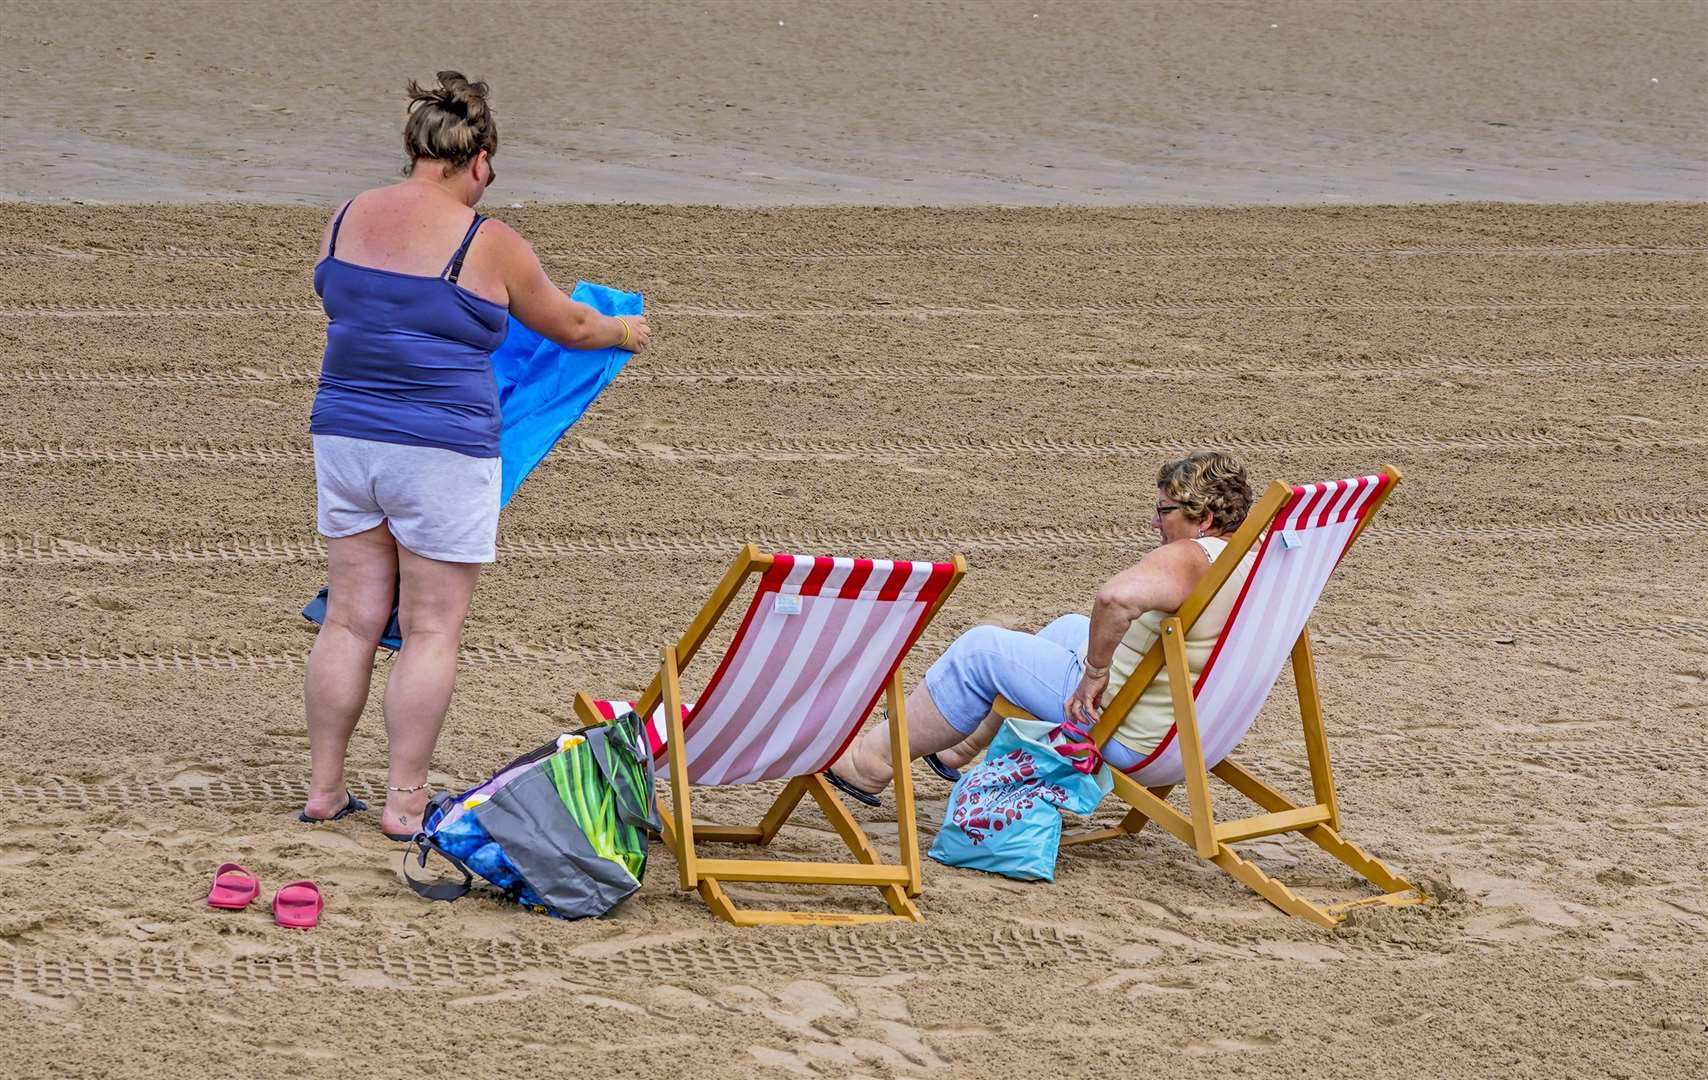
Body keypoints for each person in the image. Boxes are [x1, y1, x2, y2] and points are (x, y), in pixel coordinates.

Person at [299, 71, 651, 840]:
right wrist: (625, 332)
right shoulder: (486, 241)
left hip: (345, 434)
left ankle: (324, 791)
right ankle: (403, 804)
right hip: (442, 447)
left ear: (413, 146)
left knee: (351, 623)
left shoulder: (345, 216)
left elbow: (339, 300)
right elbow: (571, 327)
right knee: (430, 631)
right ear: (480, 159)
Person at [825, 450, 1255, 804]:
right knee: (1070, 627)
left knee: (981, 652)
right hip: (1196, 735)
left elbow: (1115, 600)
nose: (1155, 522)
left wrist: (1095, 675)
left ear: (1203, 519)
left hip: (1131, 733)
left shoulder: (1192, 556)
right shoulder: (1253, 560)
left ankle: (869, 763)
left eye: (1165, 511)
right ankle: (961, 745)